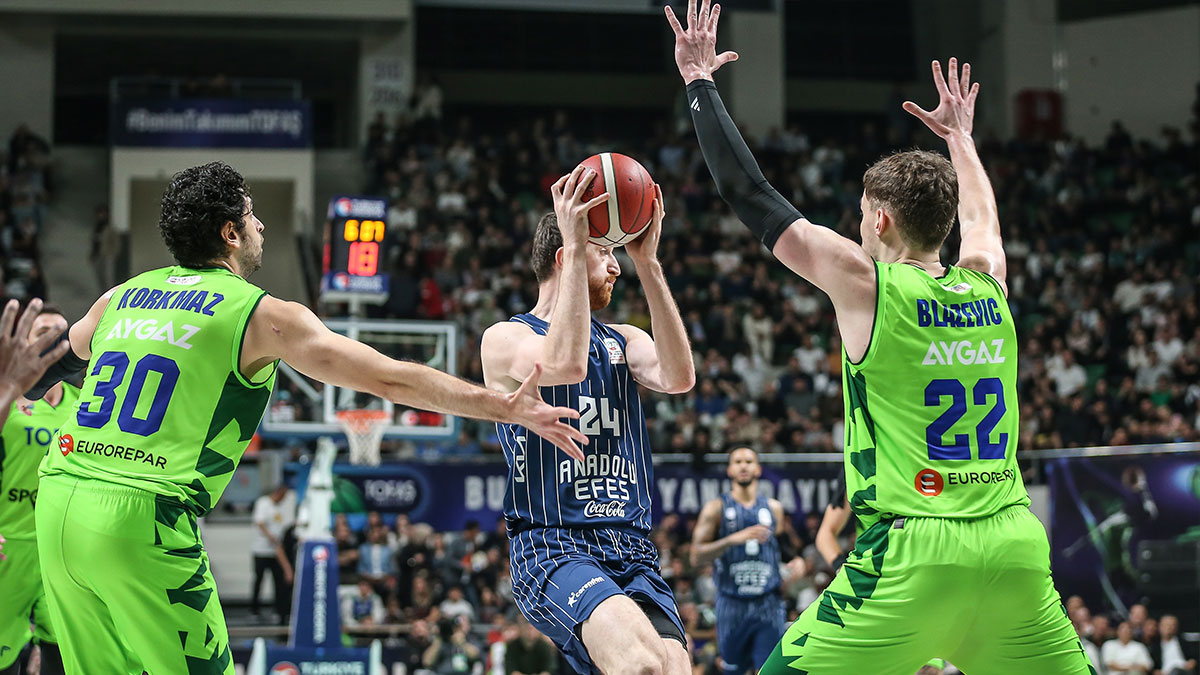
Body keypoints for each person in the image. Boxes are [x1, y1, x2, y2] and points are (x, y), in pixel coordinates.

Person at [23, 161, 588, 674]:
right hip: (138, 518)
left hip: (56, 502)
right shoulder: (261, 314)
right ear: (230, 233)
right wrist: (502, 405)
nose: (261, 225)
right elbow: (388, 377)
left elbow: (41, 370)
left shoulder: (121, 296)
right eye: (251, 213)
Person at [665, 2, 1095, 672]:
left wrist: (698, 81)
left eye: (865, 215)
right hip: (1013, 544)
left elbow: (748, 192)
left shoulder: (868, 285)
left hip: (913, 557)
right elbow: (985, 222)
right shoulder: (989, 285)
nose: (860, 225)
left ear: (884, 220)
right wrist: (962, 140)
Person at [480, 164, 696, 675]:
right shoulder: (505, 338)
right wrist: (581, 249)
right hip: (554, 543)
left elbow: (680, 375)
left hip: (632, 544)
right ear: (567, 255)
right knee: (641, 666)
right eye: (607, 253)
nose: (617, 267)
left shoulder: (623, 339)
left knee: (672, 668)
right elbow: (564, 365)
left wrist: (650, 264)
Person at [0, 306, 75, 675]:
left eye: (60, 333)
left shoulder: (87, 405)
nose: (53, 341)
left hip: (62, 548)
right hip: (9, 543)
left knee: (63, 653)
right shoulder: (6, 402)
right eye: (42, 332)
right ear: (25, 345)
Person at [691, 447, 806, 674]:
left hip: (768, 604)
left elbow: (784, 551)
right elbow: (696, 556)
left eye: (749, 461)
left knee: (771, 670)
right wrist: (733, 539)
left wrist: (797, 562)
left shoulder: (774, 508)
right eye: (738, 461)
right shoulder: (716, 509)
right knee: (733, 671)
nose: (744, 465)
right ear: (730, 470)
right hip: (732, 604)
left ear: (758, 469)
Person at [250, 483, 295, 620]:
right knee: (259, 580)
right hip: (261, 550)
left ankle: (278, 610)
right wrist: (271, 537)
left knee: (278, 581)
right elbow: (260, 522)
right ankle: (254, 610)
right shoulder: (263, 503)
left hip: (275, 552)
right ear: (279, 492)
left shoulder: (279, 508)